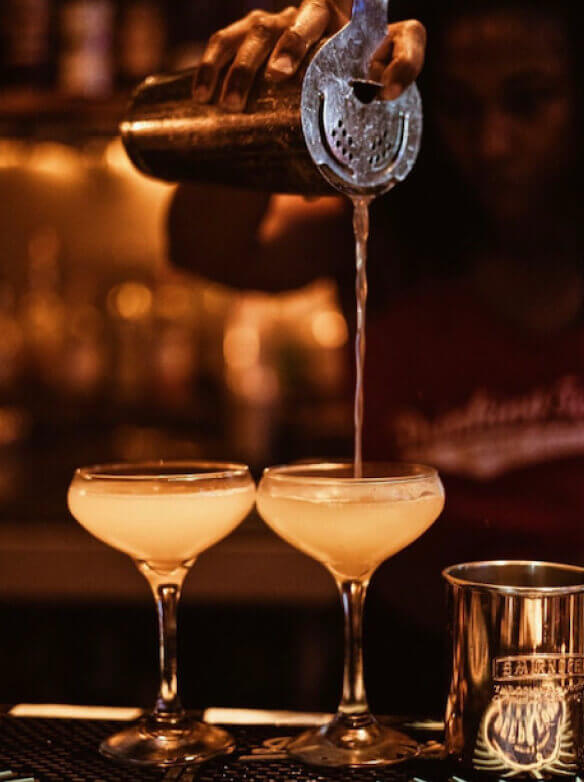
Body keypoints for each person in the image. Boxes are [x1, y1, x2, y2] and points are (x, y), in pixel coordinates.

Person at [168, 0, 584, 713]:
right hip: (411, 657)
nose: (492, 142)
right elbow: (206, 248)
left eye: (529, 100)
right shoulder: (385, 232)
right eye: (458, 106)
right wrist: (274, 93)